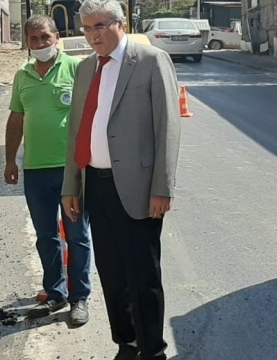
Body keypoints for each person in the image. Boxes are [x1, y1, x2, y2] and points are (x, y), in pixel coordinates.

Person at [61, 0, 181, 359]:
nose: (93, 35)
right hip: (95, 185)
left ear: (121, 23)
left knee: (142, 275)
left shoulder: (150, 61)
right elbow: (77, 132)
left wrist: (162, 187)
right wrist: (72, 185)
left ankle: (152, 349)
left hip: (138, 189)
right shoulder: (85, 69)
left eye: (100, 26)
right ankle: (126, 342)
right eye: (87, 28)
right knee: (111, 274)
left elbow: (168, 127)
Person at [4, 15, 92, 326]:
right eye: (34, 39)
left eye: (45, 37)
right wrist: (10, 159)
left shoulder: (76, 69)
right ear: (26, 42)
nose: (40, 44)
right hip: (36, 170)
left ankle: (79, 297)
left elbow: (91, 115)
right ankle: (55, 293)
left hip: (72, 170)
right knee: (46, 235)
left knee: (78, 234)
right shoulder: (22, 75)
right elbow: (16, 120)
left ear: (56, 37)